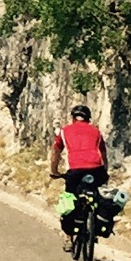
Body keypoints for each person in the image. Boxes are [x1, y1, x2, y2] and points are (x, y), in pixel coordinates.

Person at [48, 103, 107, 241]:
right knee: (97, 195)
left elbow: (56, 151)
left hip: (75, 170)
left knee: (70, 198)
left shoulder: (65, 131)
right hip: (96, 169)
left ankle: (69, 237)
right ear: (88, 119)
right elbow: (103, 154)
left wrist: (54, 171)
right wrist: (105, 173)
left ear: (73, 118)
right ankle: (95, 222)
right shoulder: (96, 131)